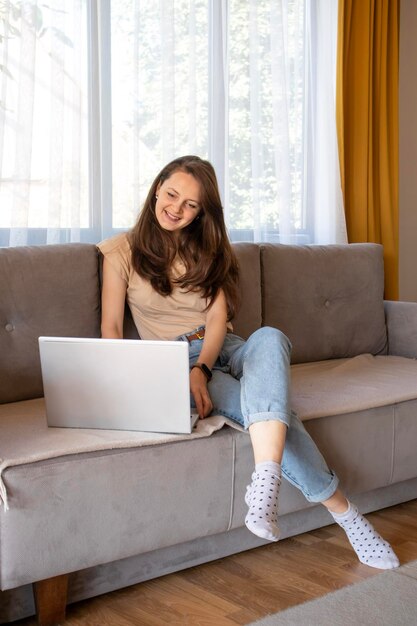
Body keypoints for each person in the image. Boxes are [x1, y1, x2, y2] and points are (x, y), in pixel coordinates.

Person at [99, 155, 399, 570]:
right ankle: (349, 517)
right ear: (156, 188)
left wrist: (203, 369)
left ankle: (265, 477)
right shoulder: (119, 252)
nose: (177, 208)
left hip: (225, 347)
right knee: (276, 417)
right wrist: (153, 381)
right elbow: (111, 330)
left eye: (191, 204)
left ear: (203, 211)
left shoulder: (211, 250)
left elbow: (218, 319)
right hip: (172, 359)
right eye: (172, 194)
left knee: (271, 338)